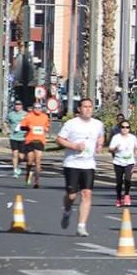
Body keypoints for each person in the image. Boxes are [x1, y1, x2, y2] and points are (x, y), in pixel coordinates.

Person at [56, 98, 106, 237]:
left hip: (88, 164)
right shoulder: (71, 124)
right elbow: (59, 139)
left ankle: (81, 226)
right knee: (72, 195)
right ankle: (67, 210)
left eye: (90, 107)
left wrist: (99, 145)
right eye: (85, 107)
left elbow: (101, 136)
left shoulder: (98, 124)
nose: (88, 109)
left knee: (86, 194)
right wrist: (74, 146)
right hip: (72, 163)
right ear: (79, 109)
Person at [21, 102, 51, 189]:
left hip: (40, 141)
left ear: (41, 108)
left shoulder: (44, 117)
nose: (37, 109)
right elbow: (22, 127)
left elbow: (47, 127)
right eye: (36, 108)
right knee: (30, 161)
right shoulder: (29, 116)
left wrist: (46, 129)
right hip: (30, 140)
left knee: (38, 161)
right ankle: (28, 172)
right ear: (33, 108)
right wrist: (28, 127)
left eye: (39, 108)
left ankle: (37, 181)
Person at [108, 119, 137, 207]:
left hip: (129, 162)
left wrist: (136, 155)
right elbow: (110, 149)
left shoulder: (133, 138)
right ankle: (118, 198)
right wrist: (115, 148)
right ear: (120, 128)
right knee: (119, 181)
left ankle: (127, 195)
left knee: (128, 180)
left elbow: (135, 149)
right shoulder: (116, 137)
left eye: (127, 127)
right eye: (123, 127)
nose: (125, 129)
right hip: (118, 162)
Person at [6, 101, 27, 178]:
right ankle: (15, 170)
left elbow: (29, 124)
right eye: (16, 105)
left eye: (19, 105)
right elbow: (5, 122)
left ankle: (18, 166)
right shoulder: (11, 114)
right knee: (15, 154)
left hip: (23, 137)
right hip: (13, 137)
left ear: (21, 106)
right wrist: (7, 130)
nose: (17, 106)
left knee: (21, 156)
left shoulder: (25, 114)